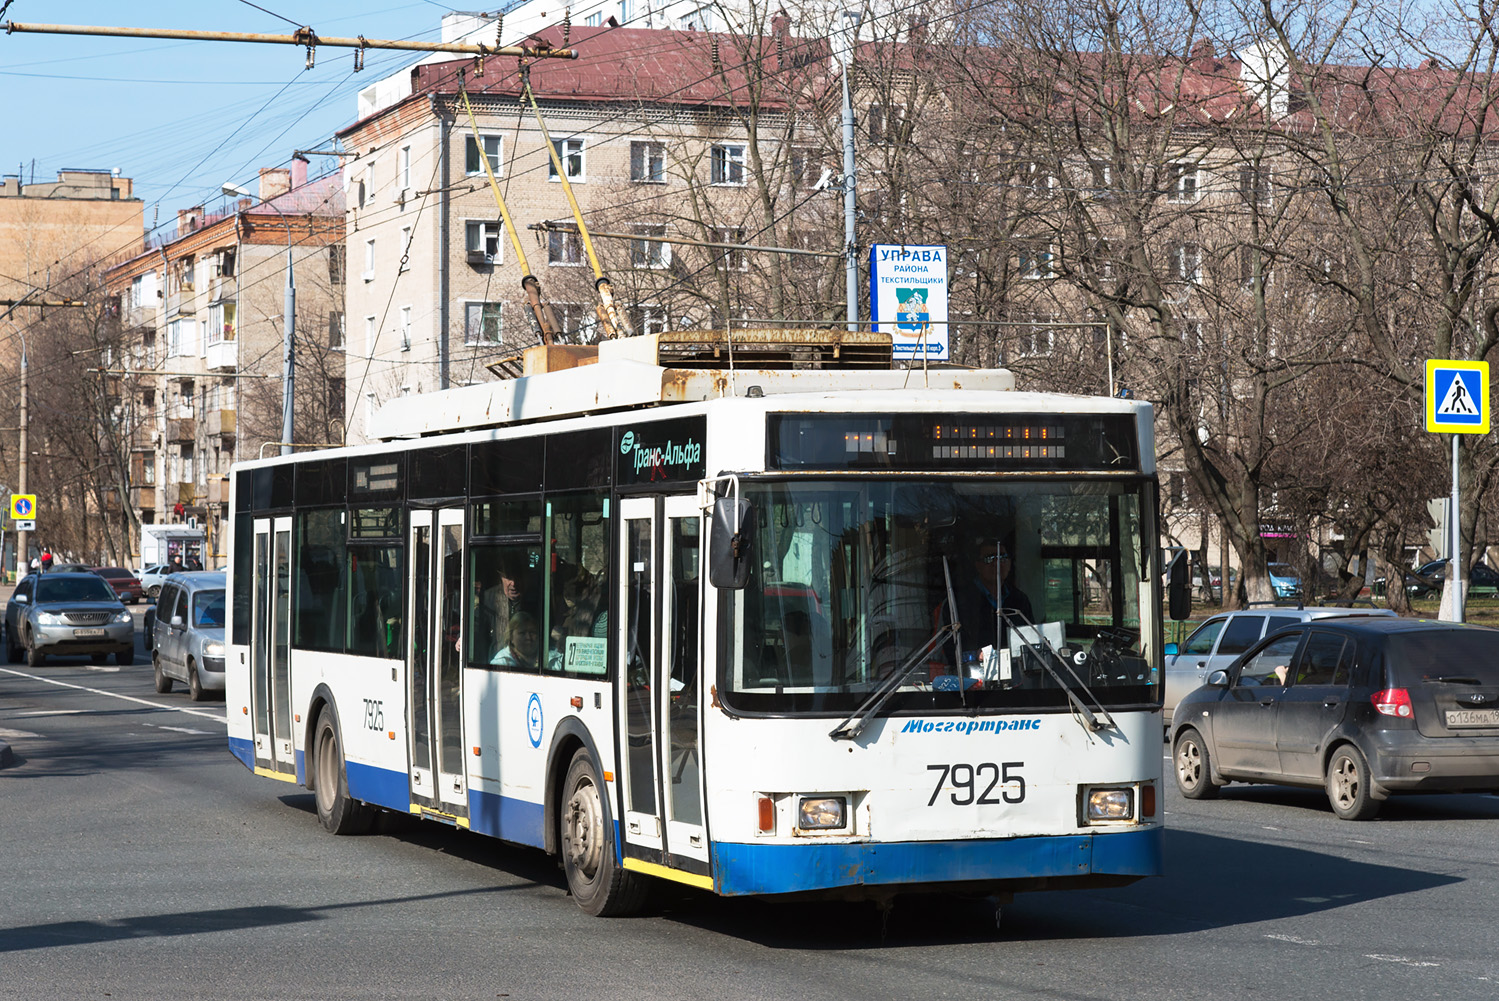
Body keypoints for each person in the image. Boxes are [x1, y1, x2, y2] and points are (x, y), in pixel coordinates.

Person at [954, 539, 1034, 655]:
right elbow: (951, 648)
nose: (997, 564)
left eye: (1002, 558)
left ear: (1010, 564)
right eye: (989, 559)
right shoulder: (960, 601)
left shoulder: (1020, 600)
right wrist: (975, 655)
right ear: (978, 565)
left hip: (1014, 665)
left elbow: (1031, 639)